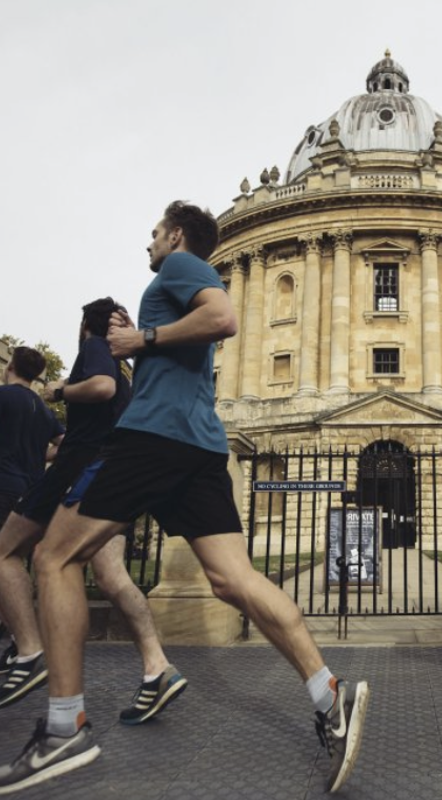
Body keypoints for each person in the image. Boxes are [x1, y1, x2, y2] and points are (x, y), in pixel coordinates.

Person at [0, 202, 369, 796]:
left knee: (53, 558)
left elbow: (223, 318)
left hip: (152, 439)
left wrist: (138, 337)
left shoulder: (177, 268)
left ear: (175, 236)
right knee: (234, 579)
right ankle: (328, 695)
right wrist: (142, 346)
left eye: (153, 233)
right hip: (201, 445)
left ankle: (64, 727)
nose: (147, 243)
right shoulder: (178, 282)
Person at [0, 298, 186, 722]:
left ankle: (29, 652)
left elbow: (98, 388)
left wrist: (60, 389)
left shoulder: (96, 348)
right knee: (111, 575)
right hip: (115, 470)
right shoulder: (129, 369)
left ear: (86, 323)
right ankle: (157, 666)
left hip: (82, 468)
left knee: (12, 553)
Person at [0, 347, 64, 674]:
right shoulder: (41, 406)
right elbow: (63, 443)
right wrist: (40, 455)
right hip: (32, 492)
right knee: (13, 564)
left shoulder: (3, 397)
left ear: (10, 366)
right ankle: (19, 638)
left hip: (3, 484)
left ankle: (24, 641)